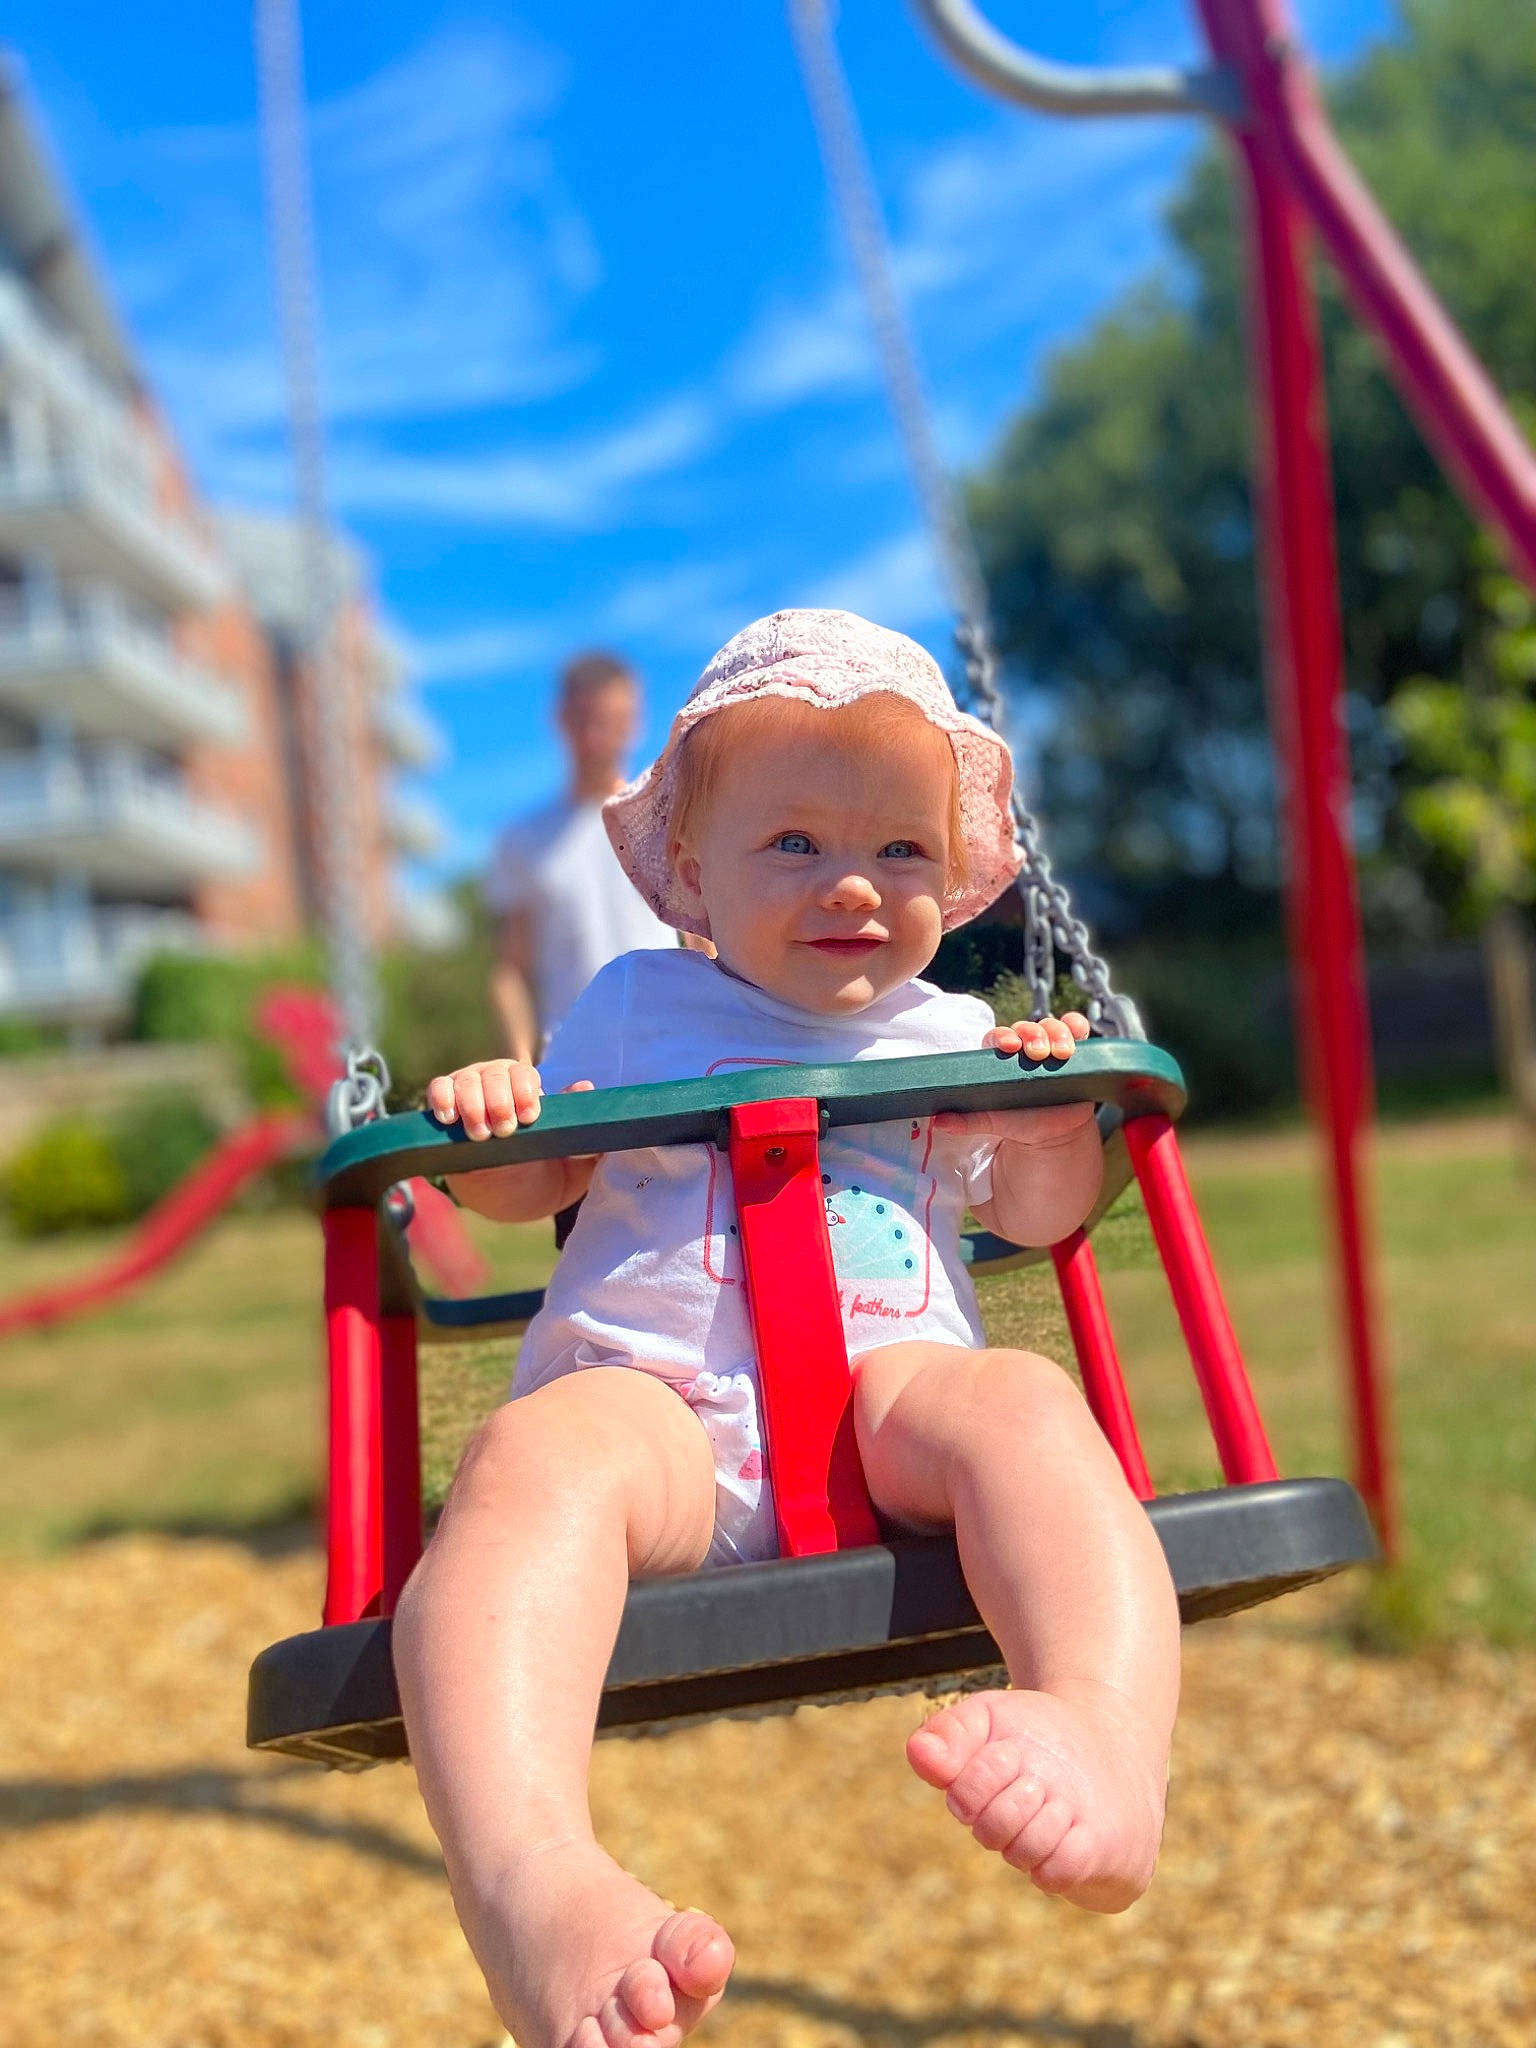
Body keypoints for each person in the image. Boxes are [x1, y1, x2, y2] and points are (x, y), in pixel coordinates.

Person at [396, 610, 1181, 2048]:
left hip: (892, 1412)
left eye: (899, 851)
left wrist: (1056, 1111)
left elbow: (1051, 1213)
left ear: (950, 875)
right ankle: (529, 1884)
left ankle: (1106, 1732)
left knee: (1024, 1405)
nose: (856, 888)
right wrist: (496, 1113)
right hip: (657, 1416)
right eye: (795, 846)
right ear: (690, 875)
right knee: (527, 1466)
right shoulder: (636, 1005)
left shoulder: (953, 1036)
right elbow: (531, 1183)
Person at [484, 650, 679, 1062]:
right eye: (585, 719)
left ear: (634, 721)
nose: (595, 736)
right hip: (573, 1065)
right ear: (562, 721)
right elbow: (511, 971)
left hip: (674, 1050)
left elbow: (703, 941)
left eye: (610, 721)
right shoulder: (523, 840)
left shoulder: (670, 816)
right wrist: (525, 1069)